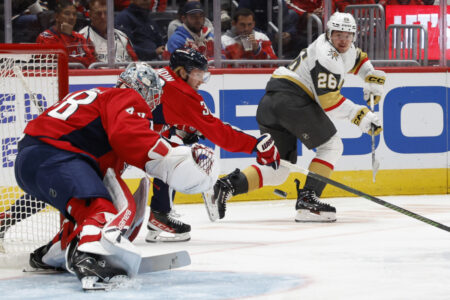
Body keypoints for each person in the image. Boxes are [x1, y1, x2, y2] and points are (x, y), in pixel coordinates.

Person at [14, 62, 220, 288]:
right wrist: (174, 158)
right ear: (140, 88)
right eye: (151, 94)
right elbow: (130, 138)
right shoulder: (127, 98)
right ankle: (90, 260)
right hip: (57, 155)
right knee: (101, 209)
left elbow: (111, 159)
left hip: (32, 160)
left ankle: (48, 256)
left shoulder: (98, 97)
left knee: (84, 214)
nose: (152, 102)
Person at [203, 12, 386, 223]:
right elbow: (329, 102)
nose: (343, 40)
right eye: (338, 35)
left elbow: (357, 58)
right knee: (332, 146)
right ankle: (308, 200)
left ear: (354, 36)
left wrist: (370, 76)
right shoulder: (328, 57)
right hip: (292, 101)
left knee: (279, 168)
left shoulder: (343, 48)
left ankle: (224, 187)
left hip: (272, 102)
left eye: (348, 35)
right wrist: (361, 116)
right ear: (329, 33)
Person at [145, 47, 281, 242]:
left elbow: (157, 116)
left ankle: (159, 213)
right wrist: (255, 145)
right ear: (182, 72)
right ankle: (159, 214)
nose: (201, 80)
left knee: (173, 141)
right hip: (120, 135)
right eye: (197, 74)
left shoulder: (165, 76)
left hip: (114, 128)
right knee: (172, 154)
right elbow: (218, 131)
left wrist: (184, 128)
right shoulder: (182, 93)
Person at [36, 0, 97, 68]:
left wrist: (75, 60)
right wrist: (82, 61)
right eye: (67, 14)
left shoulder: (80, 37)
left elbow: (92, 62)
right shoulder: (45, 38)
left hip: (83, 76)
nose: (71, 17)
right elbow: (58, 63)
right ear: (57, 17)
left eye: (74, 14)